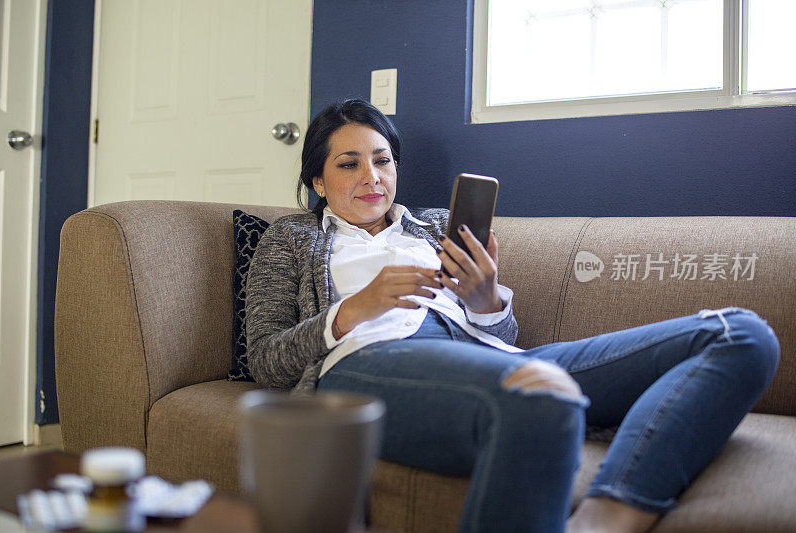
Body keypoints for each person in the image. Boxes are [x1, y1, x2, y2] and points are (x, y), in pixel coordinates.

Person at [245, 98, 780, 533]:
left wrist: (486, 301)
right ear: (317, 182)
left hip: (480, 356)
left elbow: (502, 339)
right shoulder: (293, 239)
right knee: (538, 394)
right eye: (349, 163)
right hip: (368, 363)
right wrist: (353, 310)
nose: (372, 176)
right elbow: (265, 360)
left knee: (740, 335)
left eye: (382, 159)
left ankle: (610, 514)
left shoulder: (434, 226)